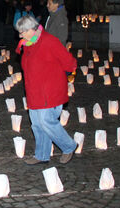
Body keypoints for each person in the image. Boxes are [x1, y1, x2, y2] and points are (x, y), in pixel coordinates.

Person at [14, 15, 78, 165]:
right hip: (34, 91)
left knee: (46, 121)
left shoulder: (49, 41)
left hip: (49, 91)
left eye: (22, 32)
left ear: (31, 29)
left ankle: (69, 146)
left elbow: (69, 62)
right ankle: (42, 154)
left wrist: (64, 76)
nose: (20, 35)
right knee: (36, 124)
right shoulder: (28, 44)